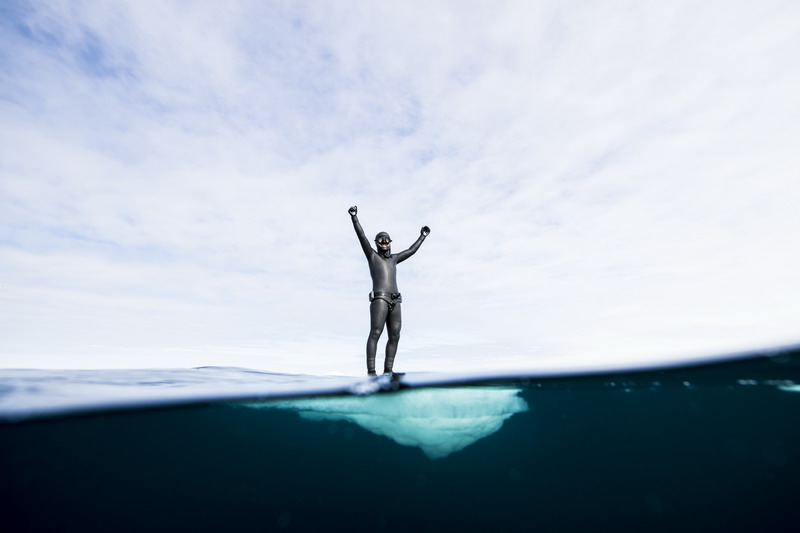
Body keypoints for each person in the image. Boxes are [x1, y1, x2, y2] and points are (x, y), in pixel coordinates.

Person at [348, 206, 430, 375]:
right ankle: (371, 371)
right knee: (376, 332)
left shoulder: (394, 259)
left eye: (387, 240)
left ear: (390, 243)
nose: (384, 243)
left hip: (396, 300)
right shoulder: (372, 256)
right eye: (381, 241)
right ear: (377, 243)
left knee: (395, 336)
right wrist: (354, 218)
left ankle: (388, 370)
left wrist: (422, 236)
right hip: (380, 299)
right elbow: (361, 237)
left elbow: (411, 251)